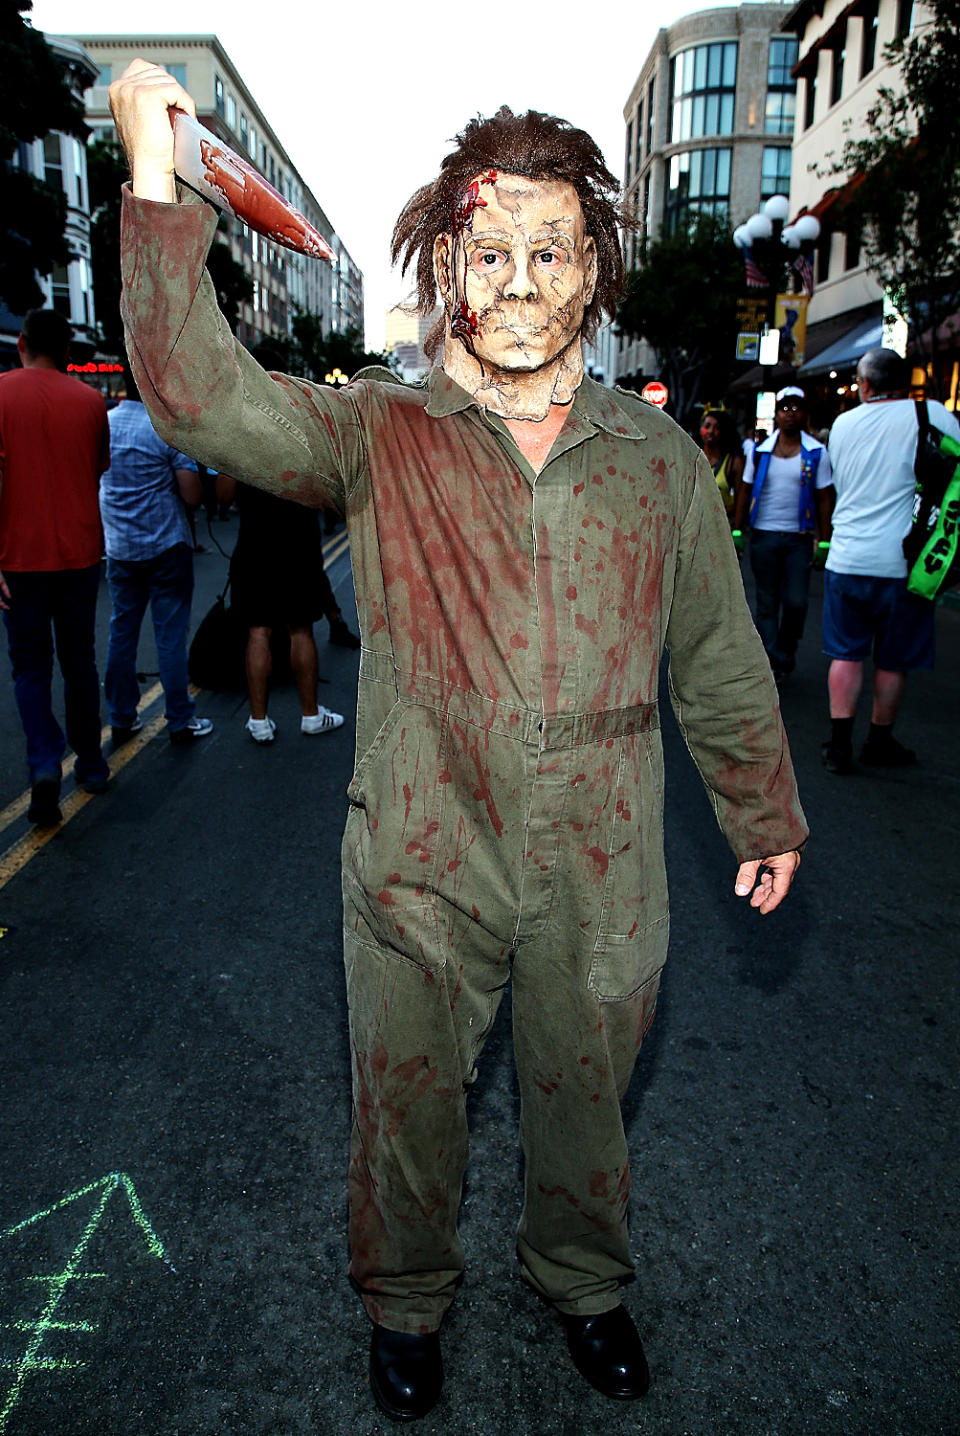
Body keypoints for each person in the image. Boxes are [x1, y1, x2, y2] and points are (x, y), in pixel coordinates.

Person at [111, 62, 808, 1422]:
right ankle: (408, 1302)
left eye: (554, 248)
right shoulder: (380, 435)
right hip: (421, 856)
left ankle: (583, 1281)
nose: (525, 279)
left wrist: (763, 810)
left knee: (587, 1105)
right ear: (448, 267)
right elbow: (195, 393)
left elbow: (718, 653)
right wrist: (153, 172)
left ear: (597, 267)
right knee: (409, 1108)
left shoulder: (659, 465)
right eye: (493, 250)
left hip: (604, 869)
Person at [820, 348, 960, 774]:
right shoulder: (936, 415)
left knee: (845, 654)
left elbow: (840, 481)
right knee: (893, 659)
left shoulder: (843, 424)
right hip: (905, 563)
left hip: (846, 557)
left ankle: (838, 745)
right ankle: (879, 739)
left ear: (864, 384)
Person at [0, 308, 111, 825]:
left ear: (21, 343)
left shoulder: (1, 393)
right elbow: (95, 468)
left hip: (19, 557)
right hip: (79, 553)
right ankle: (90, 761)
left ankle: (45, 762)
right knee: (78, 660)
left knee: (29, 666)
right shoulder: (91, 402)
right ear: (68, 352)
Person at [99, 365, 214, 746]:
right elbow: (192, 495)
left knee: (122, 632)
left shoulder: (104, 424)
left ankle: (120, 716)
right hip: (165, 546)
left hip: (120, 548)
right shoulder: (163, 429)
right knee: (169, 637)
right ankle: (180, 719)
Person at [214, 472, 347, 742]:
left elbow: (223, 496)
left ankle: (259, 721)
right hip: (299, 542)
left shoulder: (242, 435)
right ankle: (311, 715)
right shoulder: (302, 431)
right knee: (300, 629)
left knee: (258, 631)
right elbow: (328, 494)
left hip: (254, 543)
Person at [734, 386, 833, 680]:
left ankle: (785, 649)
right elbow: (745, 489)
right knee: (766, 601)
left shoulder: (816, 452)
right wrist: (738, 530)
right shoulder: (760, 451)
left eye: (796, 409)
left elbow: (825, 497)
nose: (790, 414)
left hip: (797, 539)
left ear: (804, 414)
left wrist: (824, 540)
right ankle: (774, 661)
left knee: (796, 602)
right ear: (776, 414)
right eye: (785, 409)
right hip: (764, 536)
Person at [697, 405, 743, 545]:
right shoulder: (690, 458)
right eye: (707, 426)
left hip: (721, 534)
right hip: (694, 533)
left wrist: (737, 532)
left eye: (716, 427)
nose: (710, 431)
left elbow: (741, 499)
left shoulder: (733, 462)